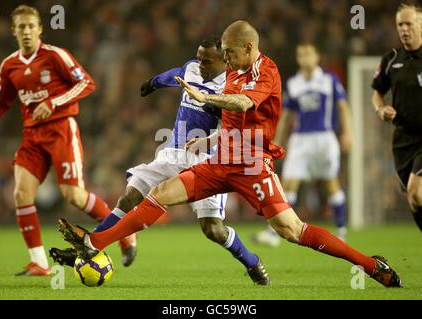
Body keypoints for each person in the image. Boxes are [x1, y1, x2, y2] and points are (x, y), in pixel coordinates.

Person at [58, 20, 402, 287]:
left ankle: (371, 265)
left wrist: (205, 97)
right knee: (160, 193)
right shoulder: (233, 72)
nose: (224, 58)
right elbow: (231, 121)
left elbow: (243, 103)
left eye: (229, 52)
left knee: (292, 231)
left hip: (252, 166)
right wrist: (205, 142)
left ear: (249, 48)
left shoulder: (266, 72)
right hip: (221, 159)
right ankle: (95, 243)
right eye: (222, 52)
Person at [51, 36, 270, 285]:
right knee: (130, 196)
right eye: (199, 58)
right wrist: (153, 83)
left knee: (213, 230)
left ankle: (252, 262)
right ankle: (90, 247)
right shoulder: (191, 69)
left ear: (224, 60)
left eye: (206, 61)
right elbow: (176, 74)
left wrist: (211, 124)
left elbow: (233, 130)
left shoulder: (231, 89)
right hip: (173, 152)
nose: (200, 65)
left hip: (207, 161)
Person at [0, 5, 135, 276]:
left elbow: (87, 83)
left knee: (74, 196)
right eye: (21, 27)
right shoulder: (9, 65)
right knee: (21, 194)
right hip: (32, 137)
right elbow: (1, 102)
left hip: (61, 129)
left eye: (30, 26)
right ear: (14, 31)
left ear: (40, 29)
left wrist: (54, 101)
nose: (26, 31)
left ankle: (124, 235)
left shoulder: (55, 55)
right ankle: (39, 262)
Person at [252, 44, 352, 247]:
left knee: (330, 184)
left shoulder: (329, 80)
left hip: (324, 138)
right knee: (288, 184)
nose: (304, 58)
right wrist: (277, 138)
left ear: (317, 57)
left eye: (308, 54)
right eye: (300, 55)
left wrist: (348, 132)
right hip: (300, 140)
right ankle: (274, 234)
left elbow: (342, 106)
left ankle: (341, 231)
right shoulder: (294, 84)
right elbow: (287, 114)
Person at [372, 4, 422, 233]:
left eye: (408, 23)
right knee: (414, 200)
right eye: (400, 24)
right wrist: (381, 109)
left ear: (420, 24)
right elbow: (377, 93)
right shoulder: (391, 59)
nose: (403, 29)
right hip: (402, 140)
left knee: (416, 191)